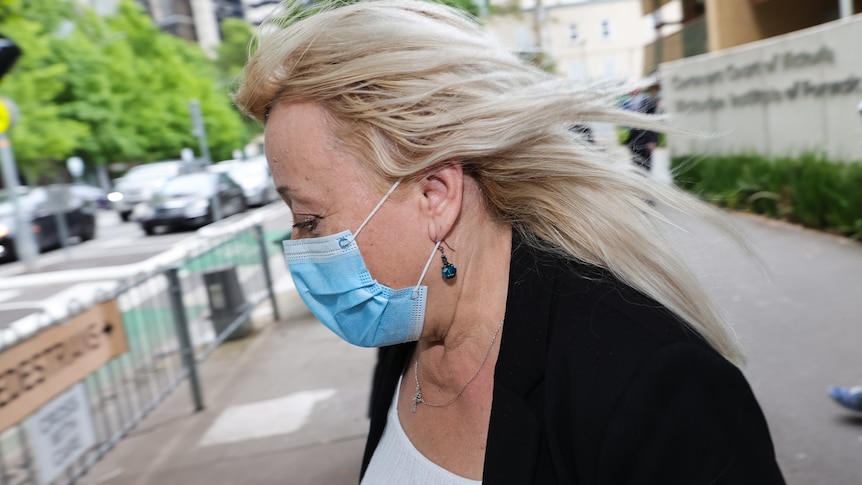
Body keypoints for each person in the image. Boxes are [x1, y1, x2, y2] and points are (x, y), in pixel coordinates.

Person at [234, 1, 785, 483]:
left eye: (308, 218)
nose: (298, 243)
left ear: (435, 195)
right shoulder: (407, 335)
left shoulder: (651, 387)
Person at [624, 83, 660, 172]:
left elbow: (653, 123)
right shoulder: (628, 103)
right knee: (635, 165)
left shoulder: (649, 102)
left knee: (646, 165)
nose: (632, 89)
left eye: (634, 87)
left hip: (645, 139)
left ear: (639, 88)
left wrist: (652, 140)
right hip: (633, 140)